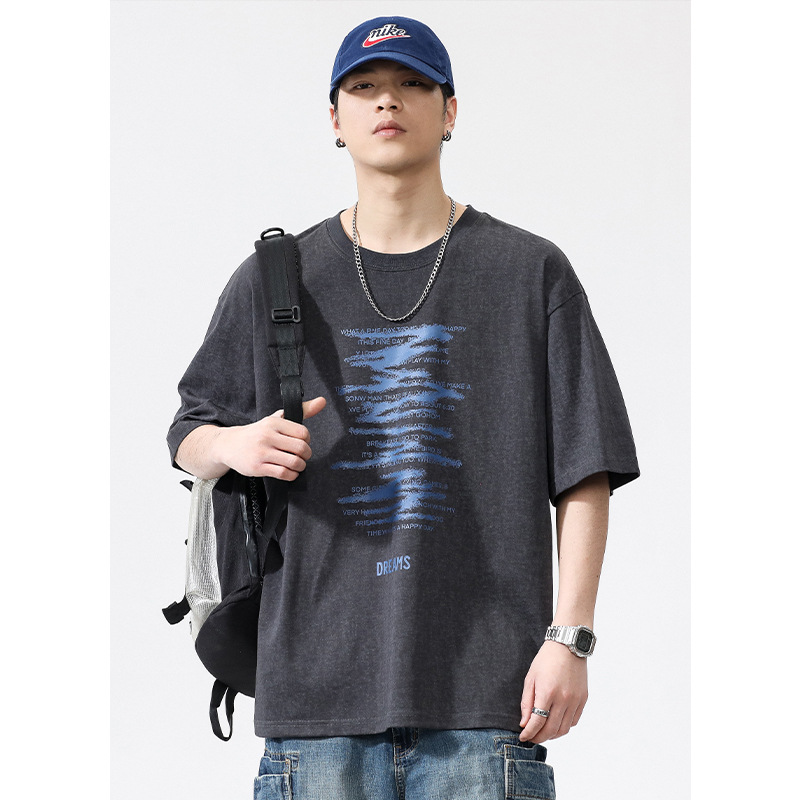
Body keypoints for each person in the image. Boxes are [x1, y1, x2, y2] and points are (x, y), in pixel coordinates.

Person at [168, 16, 639, 800]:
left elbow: (585, 470)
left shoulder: (530, 272)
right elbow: (188, 432)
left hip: (487, 700)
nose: (388, 101)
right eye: (365, 87)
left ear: (450, 111)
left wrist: (571, 639)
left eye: (413, 83)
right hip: (315, 702)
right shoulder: (276, 278)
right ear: (335, 118)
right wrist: (233, 446)